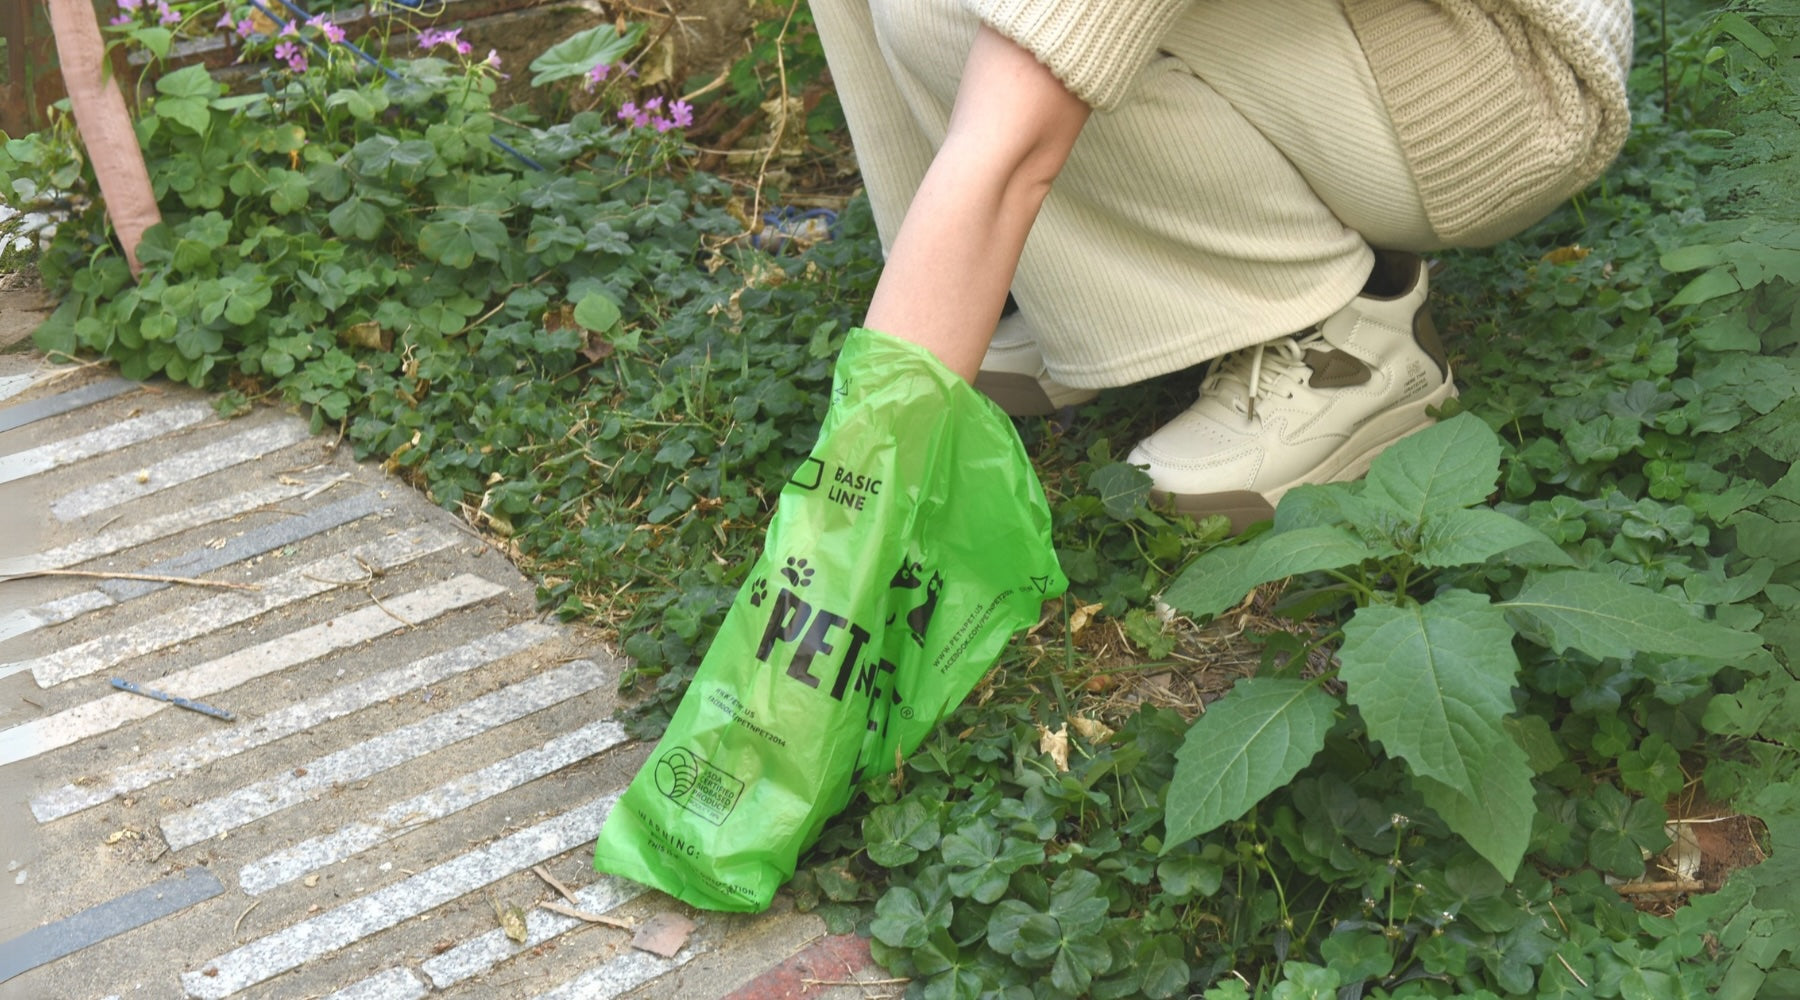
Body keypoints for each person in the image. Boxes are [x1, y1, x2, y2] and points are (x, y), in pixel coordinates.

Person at [811, 0, 1633, 530]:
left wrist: (855, 497)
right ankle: (1080, 279)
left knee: (952, 16)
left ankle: (1348, 338)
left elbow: (1011, 143)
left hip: (1489, 78)